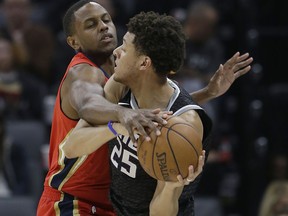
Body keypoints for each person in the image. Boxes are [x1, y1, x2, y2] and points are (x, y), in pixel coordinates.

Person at [37, 1, 253, 215]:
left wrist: (204, 94)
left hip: (115, 206)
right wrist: (122, 117)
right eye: (91, 24)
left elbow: (159, 110)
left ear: (144, 63)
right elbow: (90, 105)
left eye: (106, 19)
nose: (103, 26)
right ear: (73, 41)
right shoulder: (84, 73)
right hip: (74, 200)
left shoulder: (127, 79)